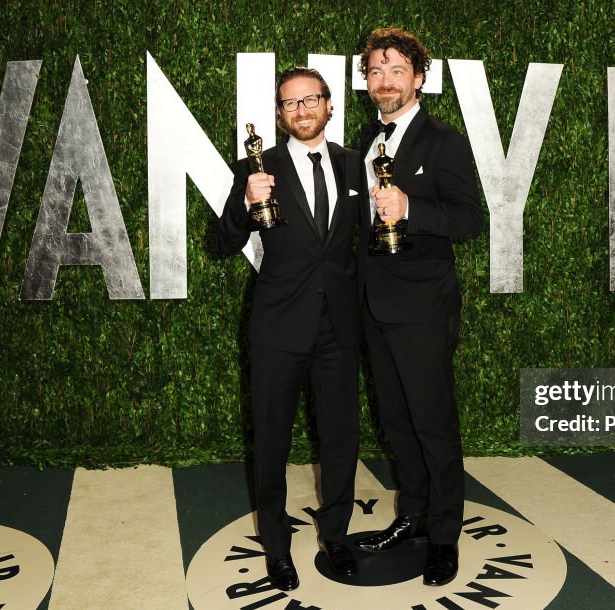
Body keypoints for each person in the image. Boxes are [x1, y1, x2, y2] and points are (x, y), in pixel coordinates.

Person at [217, 66, 364, 591]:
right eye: (290, 104)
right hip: (278, 327)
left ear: (329, 105)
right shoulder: (258, 167)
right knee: (272, 443)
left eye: (311, 100)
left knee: (341, 438)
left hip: (339, 330)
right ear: (280, 114)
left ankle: (338, 535)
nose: (301, 110)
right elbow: (221, 242)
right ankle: (277, 549)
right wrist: (246, 205)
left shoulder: (357, 165)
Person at [353, 27, 483, 586]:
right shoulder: (363, 138)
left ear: (420, 78)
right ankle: (411, 516)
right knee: (395, 422)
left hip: (424, 307)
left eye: (396, 71)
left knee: (432, 423)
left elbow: (470, 220)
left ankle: (445, 537)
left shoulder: (444, 141)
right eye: (375, 72)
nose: (385, 81)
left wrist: (411, 208)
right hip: (372, 306)